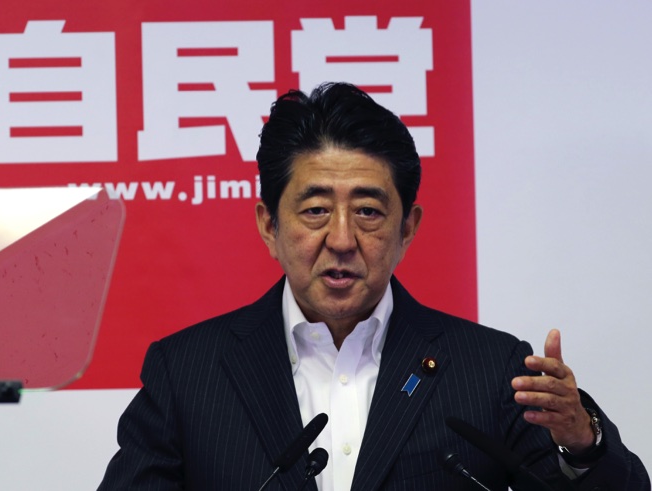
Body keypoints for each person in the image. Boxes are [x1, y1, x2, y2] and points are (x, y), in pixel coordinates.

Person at [98, 82, 649, 490]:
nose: (341, 238)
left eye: (367, 211)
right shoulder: (188, 373)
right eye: (315, 210)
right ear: (269, 225)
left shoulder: (490, 368)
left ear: (407, 228)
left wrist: (582, 444)